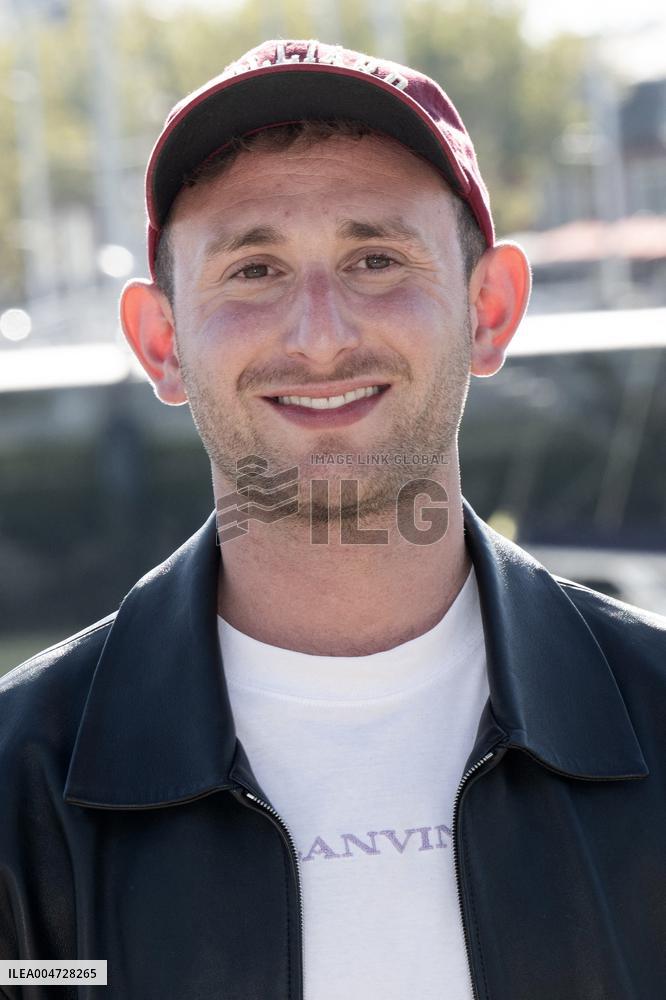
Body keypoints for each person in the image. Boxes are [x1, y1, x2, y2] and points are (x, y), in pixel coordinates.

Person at [0, 37, 665, 1000]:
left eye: (376, 258)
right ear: (162, 340)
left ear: (490, 310)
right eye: (254, 270)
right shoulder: (20, 800)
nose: (320, 335)